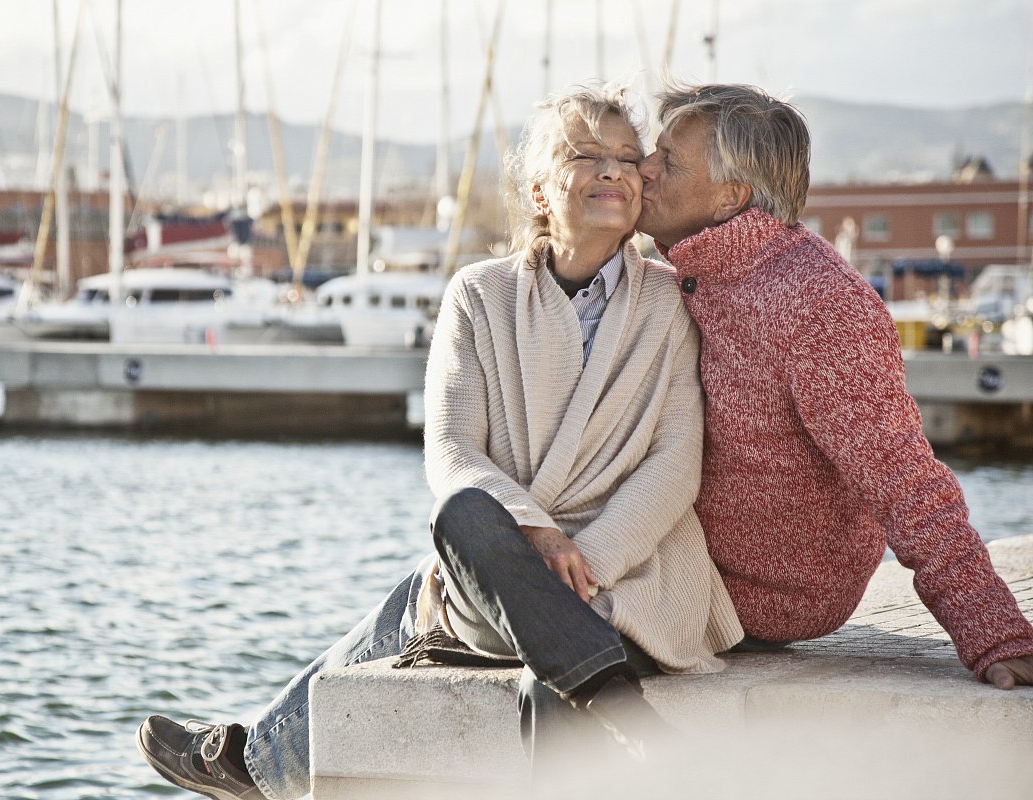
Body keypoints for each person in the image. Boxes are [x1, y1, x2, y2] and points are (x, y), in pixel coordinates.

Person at [136, 81, 744, 800]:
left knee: (419, 603)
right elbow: (452, 451)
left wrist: (587, 568)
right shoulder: (478, 296)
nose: (613, 170)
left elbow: (675, 463)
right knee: (461, 515)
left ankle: (252, 760)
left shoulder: (670, 302)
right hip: (513, 556)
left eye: (625, 156)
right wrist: (533, 532)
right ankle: (614, 705)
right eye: (585, 155)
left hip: (633, 573)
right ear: (541, 191)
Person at [634, 82, 1033, 686]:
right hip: (689, 563)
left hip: (761, 592)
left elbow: (901, 476)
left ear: (729, 198)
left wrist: (992, 629)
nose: (645, 170)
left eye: (668, 161)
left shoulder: (817, 301)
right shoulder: (698, 272)